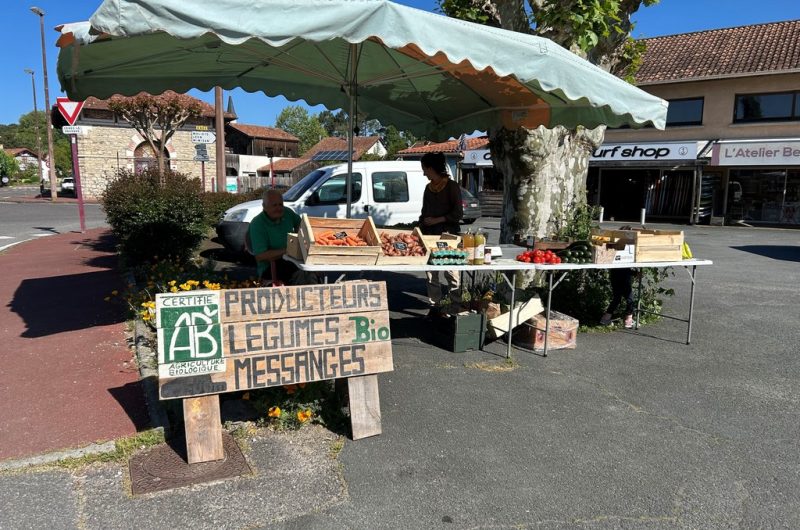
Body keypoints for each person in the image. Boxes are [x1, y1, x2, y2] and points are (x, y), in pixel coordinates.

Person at [418, 152, 463, 317]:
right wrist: (419, 226)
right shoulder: (428, 188)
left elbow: (458, 214)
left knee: (451, 271)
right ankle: (434, 306)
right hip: (430, 236)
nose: (424, 173)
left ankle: (455, 306)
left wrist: (438, 220)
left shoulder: (452, 187)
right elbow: (424, 212)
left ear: (431, 168)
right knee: (431, 273)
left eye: (424, 169)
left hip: (449, 236)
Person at [248, 188, 301, 285]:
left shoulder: (287, 213)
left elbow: (301, 224)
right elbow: (260, 256)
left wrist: (299, 238)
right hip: (271, 265)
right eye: (274, 205)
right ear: (264, 207)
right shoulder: (257, 224)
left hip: (292, 259)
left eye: (280, 204)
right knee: (301, 273)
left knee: (313, 267)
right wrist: (288, 250)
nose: (278, 208)